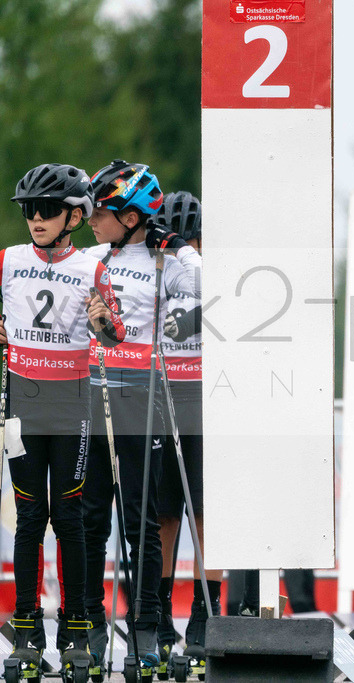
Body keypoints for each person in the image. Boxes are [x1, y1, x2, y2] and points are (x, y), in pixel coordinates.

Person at [2, 164, 126, 678]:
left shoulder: (92, 268)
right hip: (21, 404)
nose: (36, 218)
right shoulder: (8, 260)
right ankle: (26, 628)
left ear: (75, 215)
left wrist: (103, 322)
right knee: (29, 518)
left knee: (67, 517)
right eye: (30, 209)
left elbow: (115, 333)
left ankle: (76, 626)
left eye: (48, 209)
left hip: (72, 400)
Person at [81, 160, 201, 677]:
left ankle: (147, 627)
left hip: (141, 397)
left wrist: (123, 327)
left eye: (101, 211)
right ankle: (86, 622)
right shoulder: (94, 256)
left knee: (140, 519)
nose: (91, 218)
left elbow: (194, 307)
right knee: (87, 518)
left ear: (131, 218)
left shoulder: (169, 260)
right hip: (93, 397)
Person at [151, 191, 220, 671]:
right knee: (164, 518)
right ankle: (156, 614)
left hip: (208, 401)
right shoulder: (153, 270)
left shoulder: (207, 269)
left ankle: (203, 615)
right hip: (162, 398)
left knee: (206, 518)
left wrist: (187, 250)